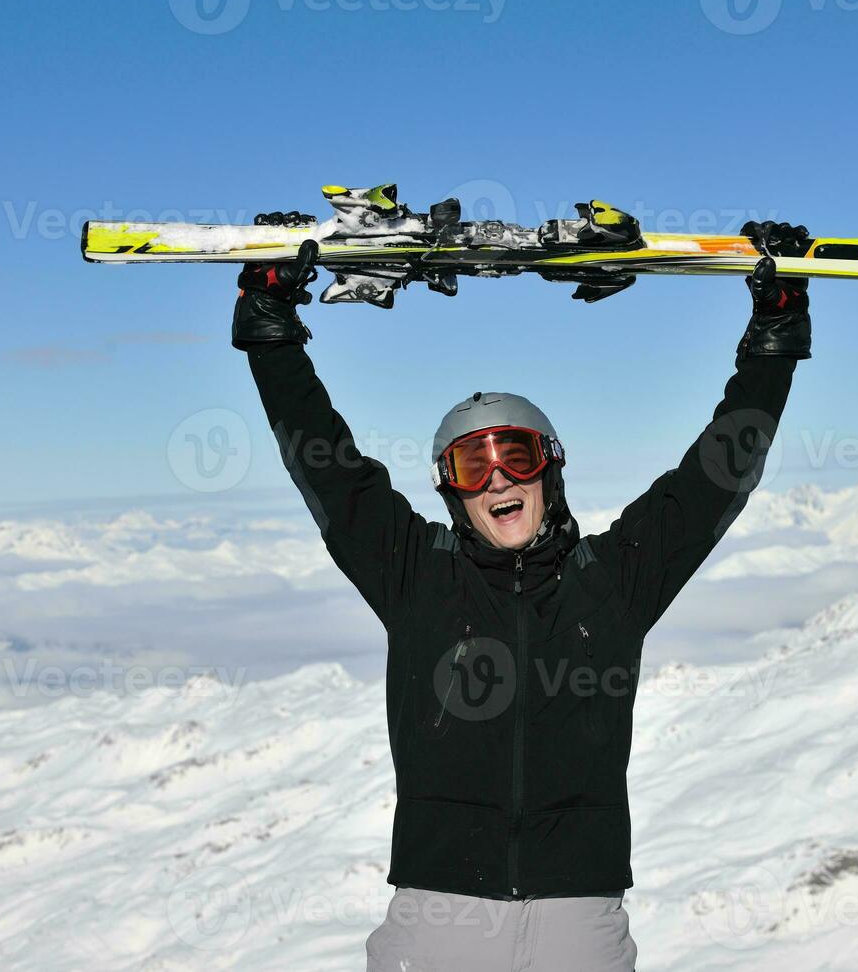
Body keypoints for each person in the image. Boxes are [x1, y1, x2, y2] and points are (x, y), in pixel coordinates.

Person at [232, 220, 811, 971]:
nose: (498, 477)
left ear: (550, 470)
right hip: (439, 909)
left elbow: (715, 477)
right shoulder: (413, 575)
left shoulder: (613, 582)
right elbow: (327, 464)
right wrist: (271, 323)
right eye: (472, 464)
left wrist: (773, 333)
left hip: (580, 912)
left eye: (517, 455)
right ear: (451, 491)